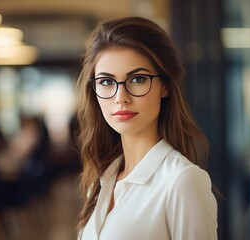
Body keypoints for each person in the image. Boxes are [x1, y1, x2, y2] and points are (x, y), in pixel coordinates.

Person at [75, 16, 217, 240]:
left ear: (165, 86)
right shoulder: (102, 179)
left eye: (138, 79)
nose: (121, 98)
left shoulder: (182, 181)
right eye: (106, 82)